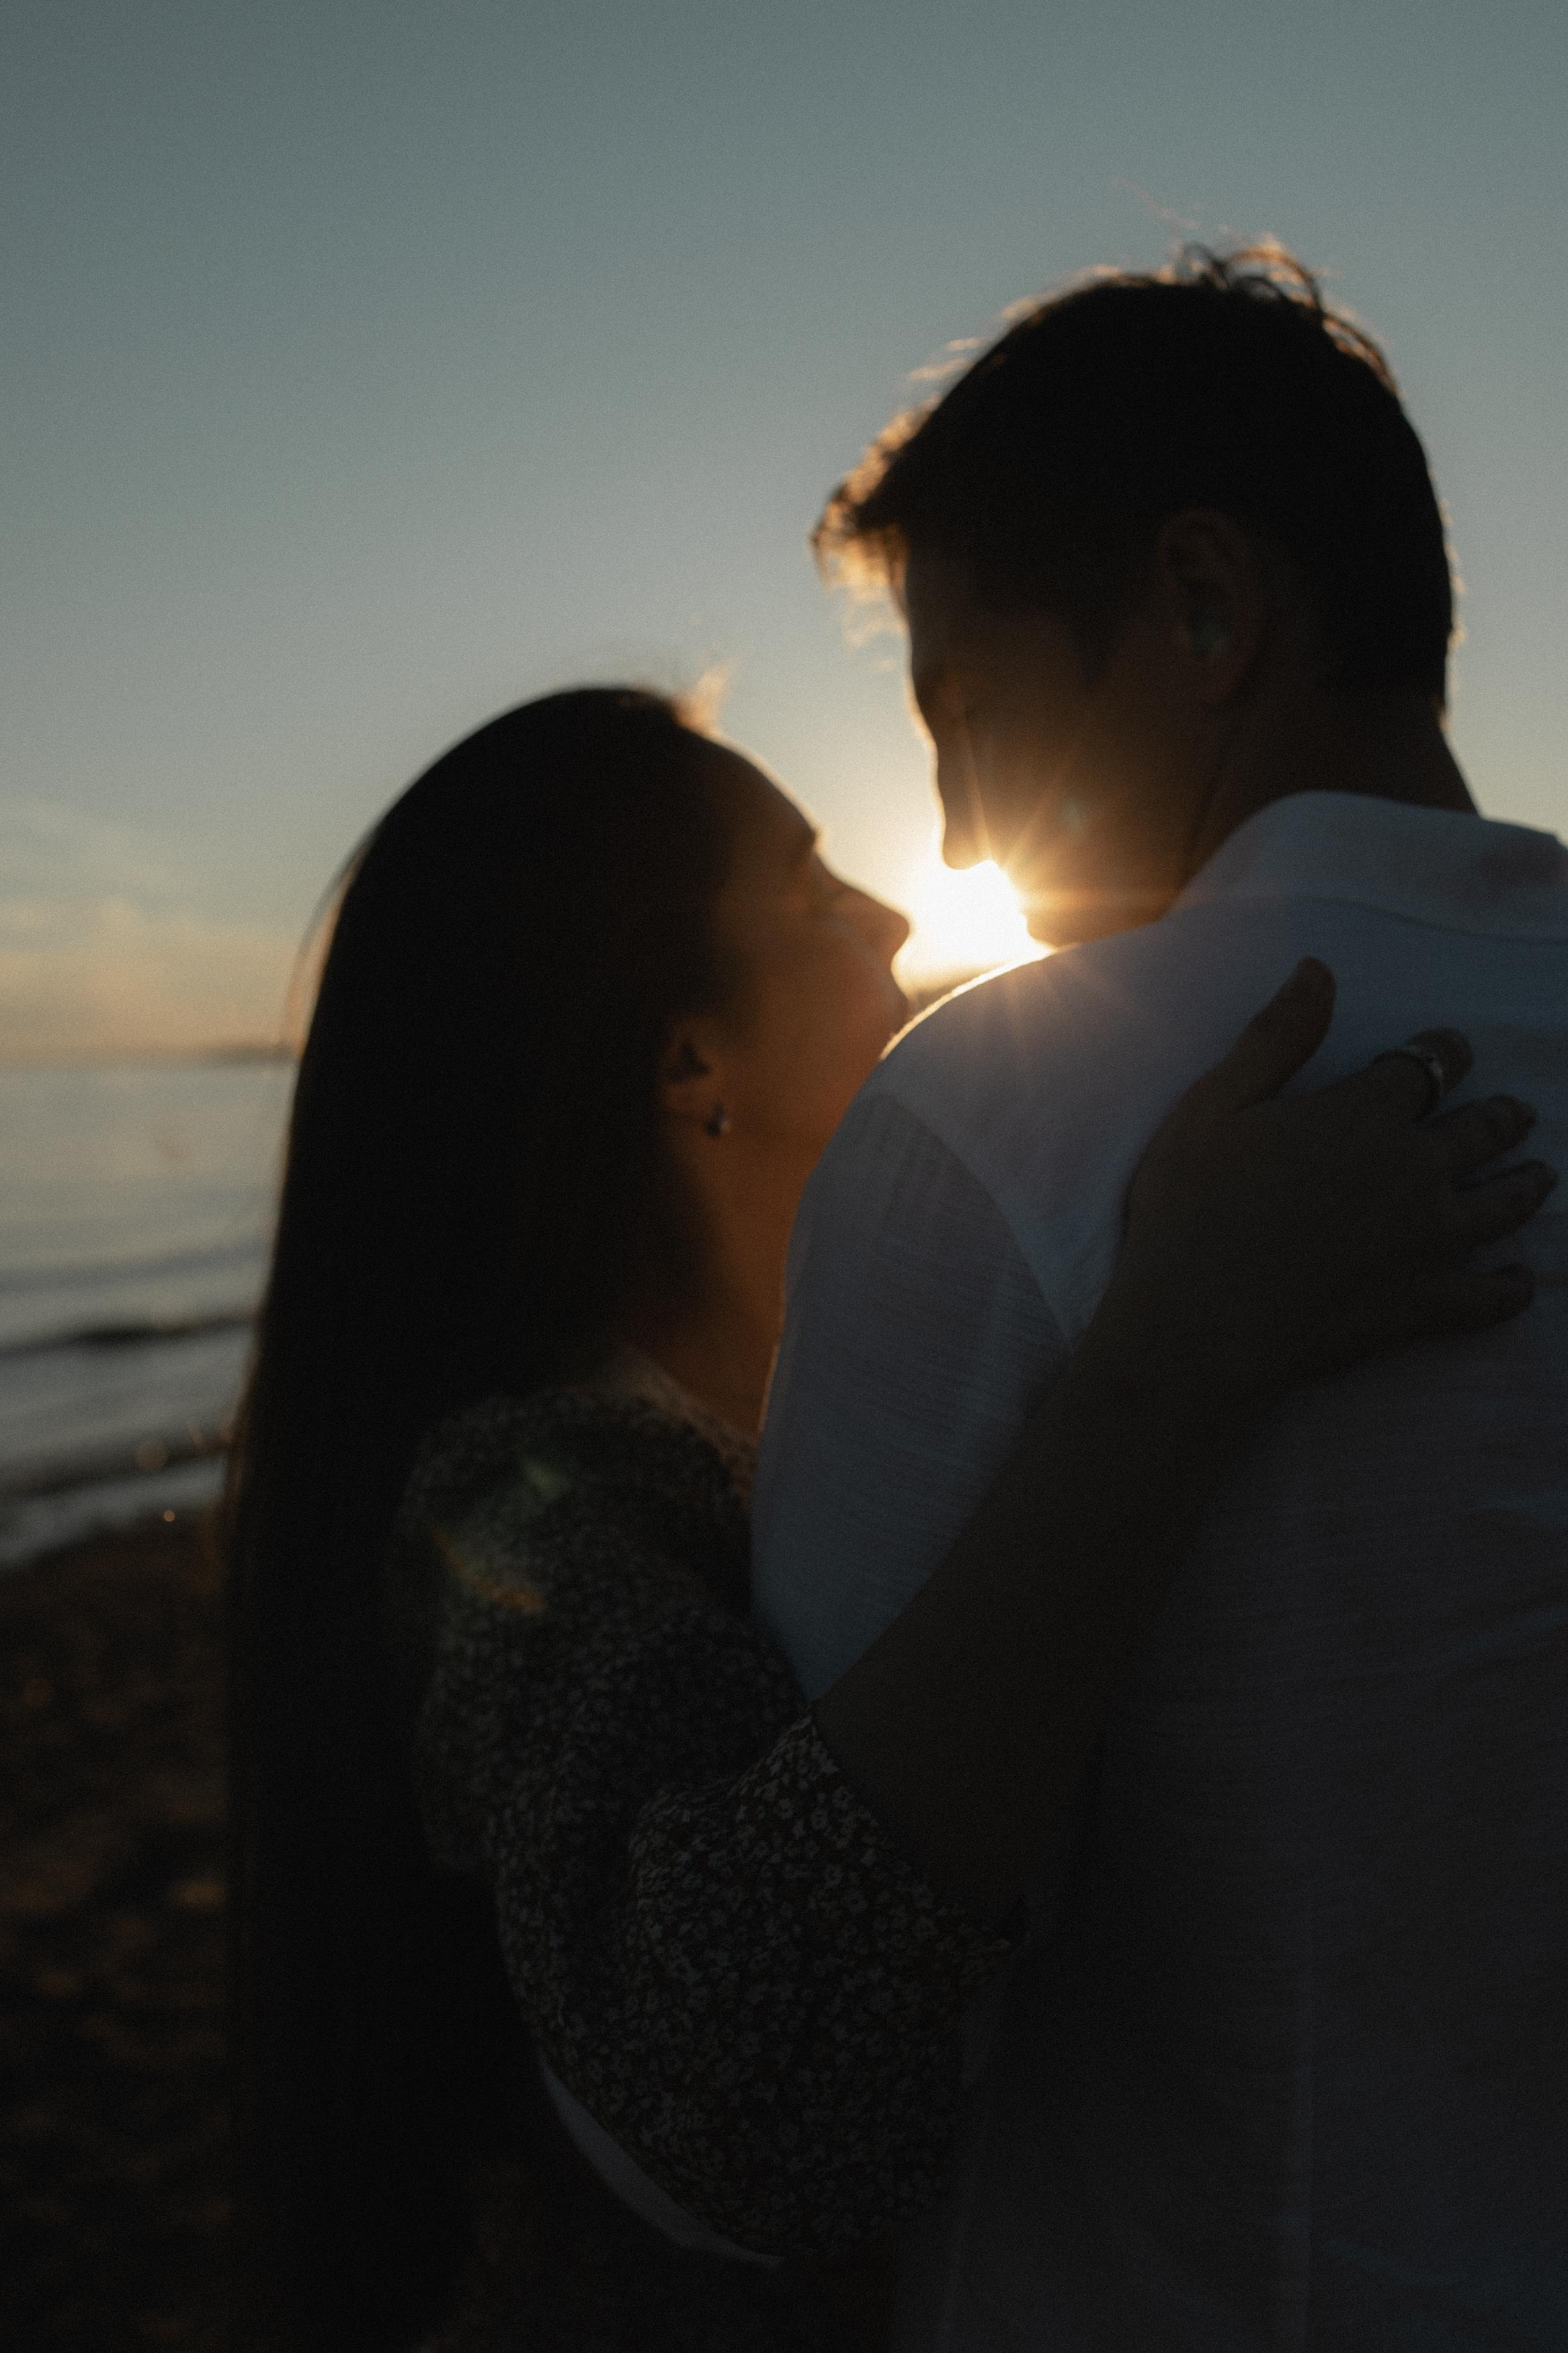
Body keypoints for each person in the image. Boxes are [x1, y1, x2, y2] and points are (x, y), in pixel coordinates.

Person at [226, 683, 1548, 2353]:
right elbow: (749, 2092)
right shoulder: (526, 1508)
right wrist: (1171, 1360)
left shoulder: (801, 1421)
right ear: (688, 1058)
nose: (896, 910)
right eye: (808, 888)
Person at [753, 243, 1568, 2348]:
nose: (948, 818)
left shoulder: (1005, 1117)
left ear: (1200, 606)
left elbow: (814, 2027)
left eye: (964, 705)